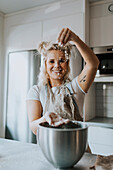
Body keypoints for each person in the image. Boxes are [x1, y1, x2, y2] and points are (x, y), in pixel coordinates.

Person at [26, 28, 99, 135]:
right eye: (51, 61)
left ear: (67, 63)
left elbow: (93, 64)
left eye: (61, 61)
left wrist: (75, 39)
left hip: (76, 145)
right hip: (50, 147)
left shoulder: (76, 87)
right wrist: (45, 119)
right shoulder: (36, 91)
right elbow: (33, 127)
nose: (57, 65)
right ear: (45, 64)